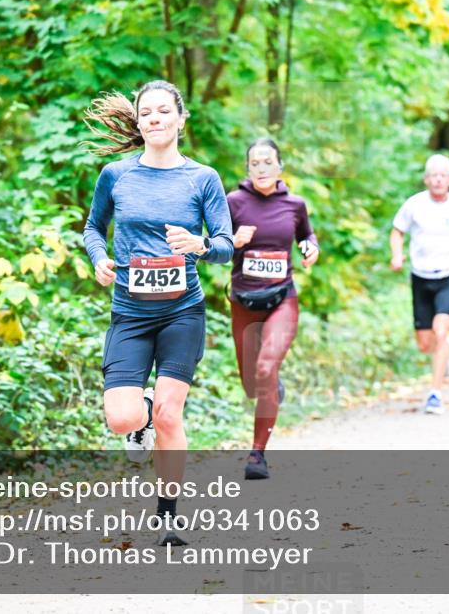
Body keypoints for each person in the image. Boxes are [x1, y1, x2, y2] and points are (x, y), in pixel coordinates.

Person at [81, 80, 234, 545]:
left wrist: (201, 246)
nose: (154, 119)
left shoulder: (202, 178)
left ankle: (168, 517)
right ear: (138, 122)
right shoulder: (116, 174)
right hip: (130, 312)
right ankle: (140, 418)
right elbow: (93, 227)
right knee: (122, 419)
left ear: (181, 119)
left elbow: (226, 246)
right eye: (146, 113)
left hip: (181, 312)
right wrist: (99, 259)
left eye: (163, 111)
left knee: (172, 414)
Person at [227, 139, 319, 480]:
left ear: (279, 166)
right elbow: (216, 243)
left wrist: (311, 250)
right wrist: (233, 240)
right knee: (252, 383)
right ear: (248, 168)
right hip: (243, 300)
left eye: (268, 161)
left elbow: (307, 237)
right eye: (255, 162)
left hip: (282, 298)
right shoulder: (233, 202)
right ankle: (270, 385)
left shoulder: (295, 205)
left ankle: (257, 455)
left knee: (266, 369)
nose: (261, 168)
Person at [390, 154, 449, 415]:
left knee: (441, 332)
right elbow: (397, 232)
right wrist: (397, 255)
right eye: (433, 175)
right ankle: (442, 357)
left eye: (443, 175)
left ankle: (435, 393)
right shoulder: (414, 205)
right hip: (421, 277)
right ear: (426, 179)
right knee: (425, 343)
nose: (438, 179)